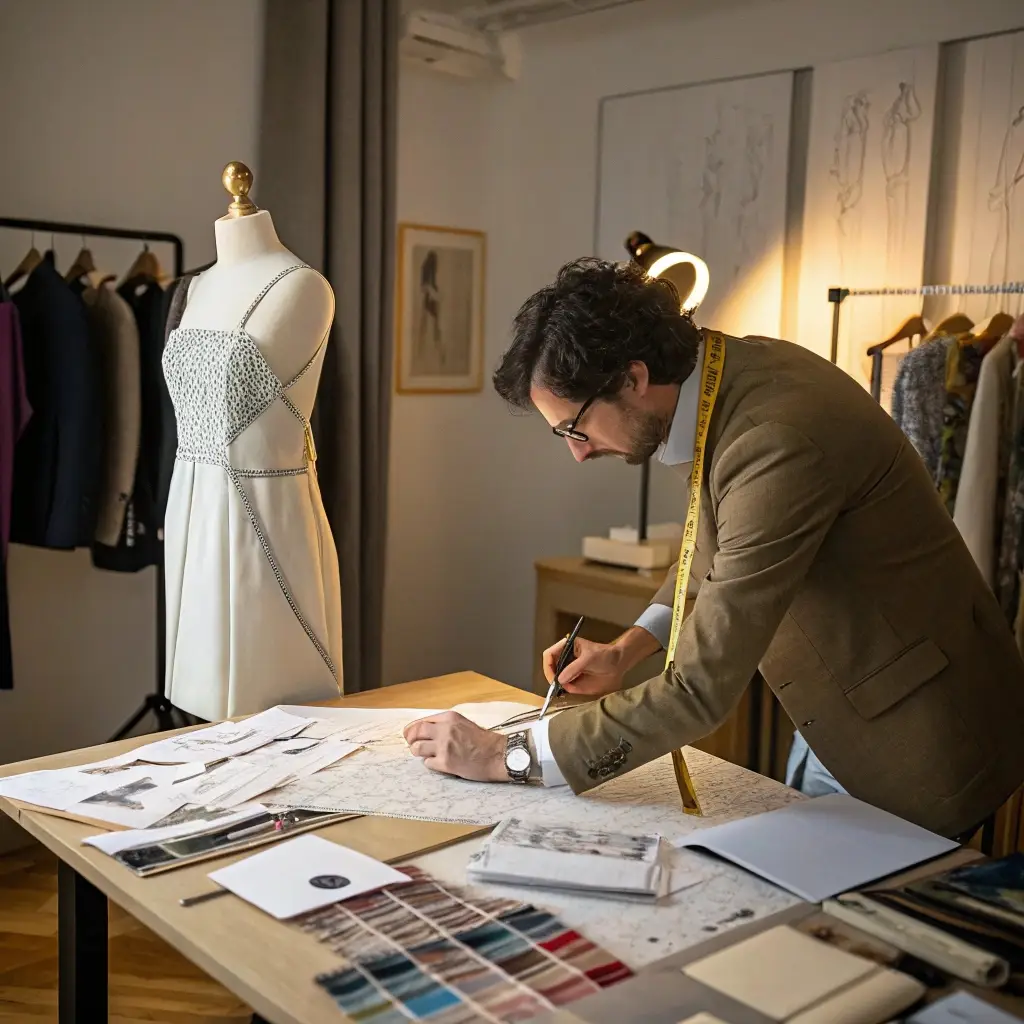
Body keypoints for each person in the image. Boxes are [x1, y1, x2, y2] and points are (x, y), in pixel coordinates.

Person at [404, 257, 1024, 839]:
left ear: (634, 378)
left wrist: (504, 755)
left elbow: (698, 692)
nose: (578, 451)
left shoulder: (775, 437)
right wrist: (629, 649)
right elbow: (718, 538)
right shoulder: (722, 378)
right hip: (837, 706)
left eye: (575, 426)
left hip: (922, 733)